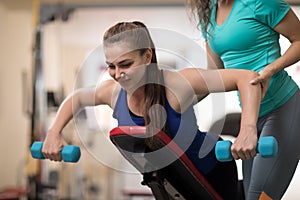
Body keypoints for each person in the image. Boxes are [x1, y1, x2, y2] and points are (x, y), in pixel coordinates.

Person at [42, 21, 262, 199]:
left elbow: (247, 78)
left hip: (212, 171)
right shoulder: (114, 93)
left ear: (147, 57)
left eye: (126, 64)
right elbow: (77, 98)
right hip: (170, 179)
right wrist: (53, 133)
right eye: (111, 66)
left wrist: (248, 129)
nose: (118, 74)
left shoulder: (177, 84)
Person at [186, 0, 300, 199]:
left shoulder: (259, 2)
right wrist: (174, 103)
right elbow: (214, 76)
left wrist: (270, 70)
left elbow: (299, 39)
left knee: (258, 196)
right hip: (252, 115)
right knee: (249, 196)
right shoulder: (208, 14)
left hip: (284, 105)